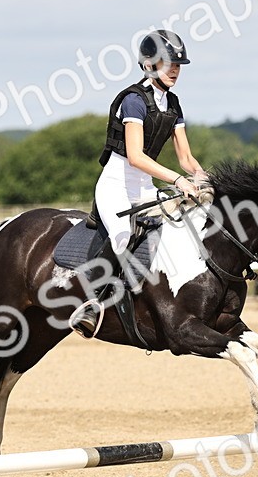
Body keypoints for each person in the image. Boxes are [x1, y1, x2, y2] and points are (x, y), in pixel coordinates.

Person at [70, 29, 205, 338]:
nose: (174, 70)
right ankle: (91, 305)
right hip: (116, 184)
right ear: (148, 64)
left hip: (144, 186)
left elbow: (185, 157)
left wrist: (204, 178)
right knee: (123, 236)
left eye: (178, 64)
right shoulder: (133, 101)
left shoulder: (173, 103)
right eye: (168, 63)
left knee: (177, 229)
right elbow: (135, 157)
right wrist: (178, 179)